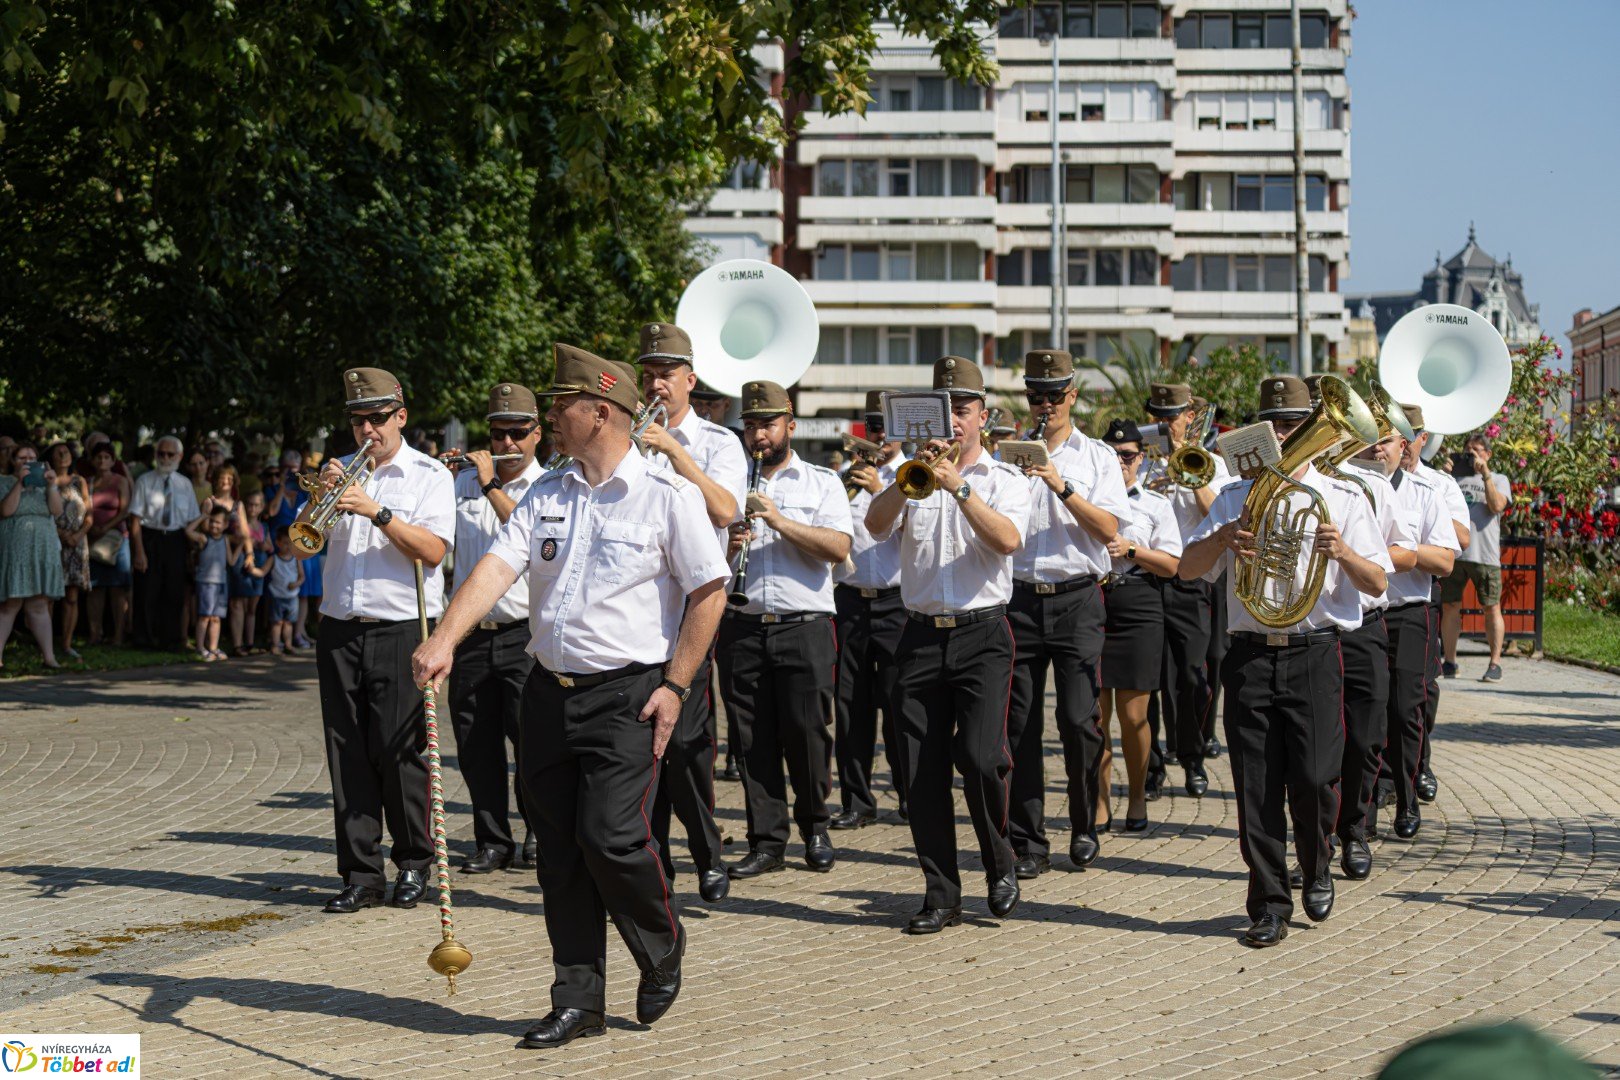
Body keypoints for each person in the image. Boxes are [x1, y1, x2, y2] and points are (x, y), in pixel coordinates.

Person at [412, 343, 727, 1049]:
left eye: (561, 407)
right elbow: (497, 567)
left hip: (629, 697)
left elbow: (709, 593)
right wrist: (446, 640)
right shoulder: (549, 492)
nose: (551, 418)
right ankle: (578, 999)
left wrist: (676, 685)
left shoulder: (666, 497)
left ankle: (662, 942)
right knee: (558, 853)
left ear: (600, 412)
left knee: (612, 839)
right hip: (546, 694)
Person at [1180, 375, 1392, 947]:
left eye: (1295, 423)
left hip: (1315, 653)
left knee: (1318, 779)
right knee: (1256, 787)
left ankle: (1318, 866)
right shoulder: (1233, 496)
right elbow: (1187, 569)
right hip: (1250, 656)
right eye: (1274, 423)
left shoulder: (1345, 497)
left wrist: (1342, 551)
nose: (1284, 432)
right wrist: (1225, 537)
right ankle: (1268, 903)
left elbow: (1377, 585)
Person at [865, 355, 1031, 934]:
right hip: (919, 635)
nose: (953, 423)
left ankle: (1000, 860)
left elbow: (1008, 539)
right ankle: (941, 893)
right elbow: (874, 525)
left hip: (983, 635)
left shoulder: (1005, 480)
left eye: (962, 410)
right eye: (943, 412)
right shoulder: (911, 475)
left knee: (984, 759)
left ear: (983, 415)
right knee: (919, 772)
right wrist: (910, 477)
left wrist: (957, 487)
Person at [298, 367, 455, 915]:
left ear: (401, 417)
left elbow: (433, 551)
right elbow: (298, 547)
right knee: (347, 755)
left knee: (399, 751)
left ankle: (414, 862)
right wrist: (321, 496)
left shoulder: (429, 474)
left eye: (377, 418)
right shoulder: (340, 473)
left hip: (401, 627)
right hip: (340, 627)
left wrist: (378, 511)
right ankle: (360, 873)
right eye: (358, 418)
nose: (367, 429)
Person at [1003, 349, 1130, 878]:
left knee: (1079, 720)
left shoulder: (1097, 456)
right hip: (1019, 597)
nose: (1046, 404)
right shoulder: (1007, 454)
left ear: (1073, 396)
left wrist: (1060, 483)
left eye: (1055, 395)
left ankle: (1084, 823)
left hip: (1078, 597)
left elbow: (1109, 530)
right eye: (1037, 395)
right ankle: (1027, 841)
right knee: (1019, 725)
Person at [633, 322, 749, 900]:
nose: (656, 383)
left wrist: (676, 452)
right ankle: (657, 868)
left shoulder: (718, 442)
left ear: (689, 379)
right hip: (635, 610)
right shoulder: (627, 438)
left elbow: (726, 509)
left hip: (691, 609)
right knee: (641, 748)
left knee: (682, 746)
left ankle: (706, 851)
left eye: (666, 374)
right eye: (648, 373)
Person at [719, 380, 852, 881]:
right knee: (751, 739)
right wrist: (731, 544)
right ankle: (766, 841)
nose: (758, 434)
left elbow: (838, 548)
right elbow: (704, 562)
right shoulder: (729, 486)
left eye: (767, 424)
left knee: (808, 734)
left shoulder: (821, 482)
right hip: (743, 624)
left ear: (789, 426)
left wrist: (778, 520)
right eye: (751, 424)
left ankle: (815, 826)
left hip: (806, 626)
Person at [443, 383, 545, 874]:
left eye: (517, 433)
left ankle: (539, 834)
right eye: (498, 433)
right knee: (475, 746)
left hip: (522, 635)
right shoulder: (459, 483)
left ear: (537, 434)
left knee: (531, 745)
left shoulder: (548, 486)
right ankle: (491, 840)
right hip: (470, 636)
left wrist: (489, 486)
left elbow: (526, 538)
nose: (506, 443)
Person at [1350, 424, 1458, 857]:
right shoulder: (1352, 488)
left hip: (1409, 612)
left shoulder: (1424, 492)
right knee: (1369, 714)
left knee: (1404, 709)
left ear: (1403, 446)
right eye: (1372, 440)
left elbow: (1446, 560)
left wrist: (1397, 552)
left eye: (1388, 441)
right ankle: (1369, 808)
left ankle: (1407, 798)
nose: (1379, 449)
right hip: (1362, 616)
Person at [1143, 382, 1233, 799]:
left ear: (1188, 418)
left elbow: (1219, 513)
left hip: (1191, 579)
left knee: (1191, 676)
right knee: (1148, 677)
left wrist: (1188, 472)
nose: (1164, 424)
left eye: (1171, 416)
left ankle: (1193, 759)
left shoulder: (1211, 461)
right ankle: (1151, 765)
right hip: (1145, 578)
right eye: (1157, 416)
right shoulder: (1137, 461)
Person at [1096, 419, 1182, 832]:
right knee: (1094, 717)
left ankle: (1136, 797)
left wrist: (1132, 548)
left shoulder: (1156, 504)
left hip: (1139, 604)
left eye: (1127, 456)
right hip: (1095, 602)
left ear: (1141, 459)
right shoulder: (1089, 502)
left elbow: (1172, 566)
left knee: (1134, 717)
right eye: (1112, 456)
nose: (1120, 463)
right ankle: (1098, 804)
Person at [831, 391, 909, 829]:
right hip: (851, 602)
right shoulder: (842, 478)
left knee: (902, 707)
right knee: (851, 708)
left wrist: (884, 491)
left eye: (885, 428)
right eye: (872, 427)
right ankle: (857, 801)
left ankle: (911, 795)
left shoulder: (914, 476)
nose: (878, 435)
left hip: (897, 603)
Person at [1401, 407, 1470, 805]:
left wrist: (1425, 506)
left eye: (1410, 435)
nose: (1403, 443)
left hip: (1423, 595)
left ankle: (1420, 761)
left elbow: (1462, 538)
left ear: (1422, 438)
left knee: (1423, 690)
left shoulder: (1439, 484)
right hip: (1376, 599)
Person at [1440, 434, 1511, 682]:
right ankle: (1449, 661)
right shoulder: (1452, 479)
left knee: (1491, 608)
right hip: (1456, 553)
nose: (1471, 454)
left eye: (1477, 450)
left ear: (1488, 454)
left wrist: (1486, 474)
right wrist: (1443, 476)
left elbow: (1497, 506)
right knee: (1449, 606)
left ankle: (1494, 663)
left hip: (1485, 555)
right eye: (1467, 450)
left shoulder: (1499, 479)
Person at [129, 435, 202, 651]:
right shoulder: (144, 481)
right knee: (146, 590)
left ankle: (171, 639)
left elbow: (190, 519)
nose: (165, 458)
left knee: (173, 591)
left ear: (179, 456)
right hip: (150, 536)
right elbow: (134, 518)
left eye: (170, 454)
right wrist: (139, 552)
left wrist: (192, 550)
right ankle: (144, 639)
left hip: (176, 539)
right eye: (161, 453)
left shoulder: (184, 484)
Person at [0, 442, 67, 669]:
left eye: (32, 457)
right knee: (11, 604)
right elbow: (6, 510)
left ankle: (49, 657)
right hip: (16, 549)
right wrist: (20, 482)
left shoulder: (45, 486)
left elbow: (57, 511)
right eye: (22, 458)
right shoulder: (4, 482)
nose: (27, 461)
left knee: (38, 605)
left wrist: (52, 485)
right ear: (13, 462)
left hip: (43, 548)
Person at [85, 442, 132, 647]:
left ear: (113, 460)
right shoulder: (89, 482)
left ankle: (118, 635)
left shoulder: (120, 481)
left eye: (107, 457)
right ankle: (95, 634)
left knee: (117, 589)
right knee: (94, 588)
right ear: (93, 460)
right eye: (99, 457)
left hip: (116, 539)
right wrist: (91, 528)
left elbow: (125, 510)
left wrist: (106, 527)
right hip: (93, 539)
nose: (102, 461)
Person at [49, 442, 92, 660]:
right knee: (49, 596)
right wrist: (58, 532)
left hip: (77, 543)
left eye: (66, 451)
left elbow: (89, 514)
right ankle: (46, 645)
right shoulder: (47, 481)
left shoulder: (79, 481)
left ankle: (66, 644)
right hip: (53, 541)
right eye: (59, 452)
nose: (64, 454)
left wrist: (78, 535)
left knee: (72, 596)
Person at [185, 504, 233, 661]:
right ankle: (200, 648)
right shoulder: (204, 538)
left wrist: (242, 548)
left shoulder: (225, 540)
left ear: (225, 524)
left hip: (221, 583)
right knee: (204, 616)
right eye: (212, 521)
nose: (214, 525)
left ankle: (213, 647)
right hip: (206, 583)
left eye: (218, 522)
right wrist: (203, 516)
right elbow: (188, 531)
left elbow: (230, 561)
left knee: (216, 617)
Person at [227, 489, 270, 656]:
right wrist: (247, 542)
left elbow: (270, 547)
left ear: (262, 507)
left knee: (252, 607)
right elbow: (232, 537)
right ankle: (238, 644)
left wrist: (262, 545)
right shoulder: (238, 523)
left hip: (258, 567)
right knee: (239, 605)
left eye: (257, 505)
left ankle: (250, 642)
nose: (253, 508)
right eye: (250, 504)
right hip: (241, 564)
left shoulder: (263, 526)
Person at [264, 526, 305, 654]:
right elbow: (263, 571)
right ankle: (275, 645)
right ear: (278, 543)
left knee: (288, 622)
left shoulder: (296, 559)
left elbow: (302, 576)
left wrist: (297, 583)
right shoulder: (273, 558)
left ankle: (288, 644)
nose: (288, 546)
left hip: (292, 596)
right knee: (276, 622)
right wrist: (252, 570)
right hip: (277, 595)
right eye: (285, 543)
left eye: (290, 543)